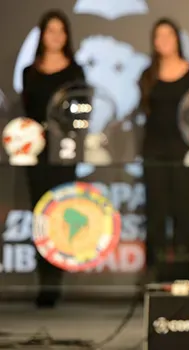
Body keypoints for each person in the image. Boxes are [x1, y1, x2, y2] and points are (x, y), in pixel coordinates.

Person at [20, 10, 86, 308]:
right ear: (42, 35)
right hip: (36, 156)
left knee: (61, 215)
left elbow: (82, 112)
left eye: (61, 30)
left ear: (67, 36)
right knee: (41, 216)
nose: (56, 36)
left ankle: (56, 280)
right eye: (50, 30)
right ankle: (42, 282)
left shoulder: (76, 72)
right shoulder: (29, 72)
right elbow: (27, 115)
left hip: (64, 154)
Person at [138, 18, 189, 283]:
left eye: (169, 35)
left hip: (183, 151)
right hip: (154, 152)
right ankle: (154, 277)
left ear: (177, 39)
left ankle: (183, 277)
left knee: (183, 214)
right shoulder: (148, 75)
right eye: (158, 36)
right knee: (155, 215)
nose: (164, 41)